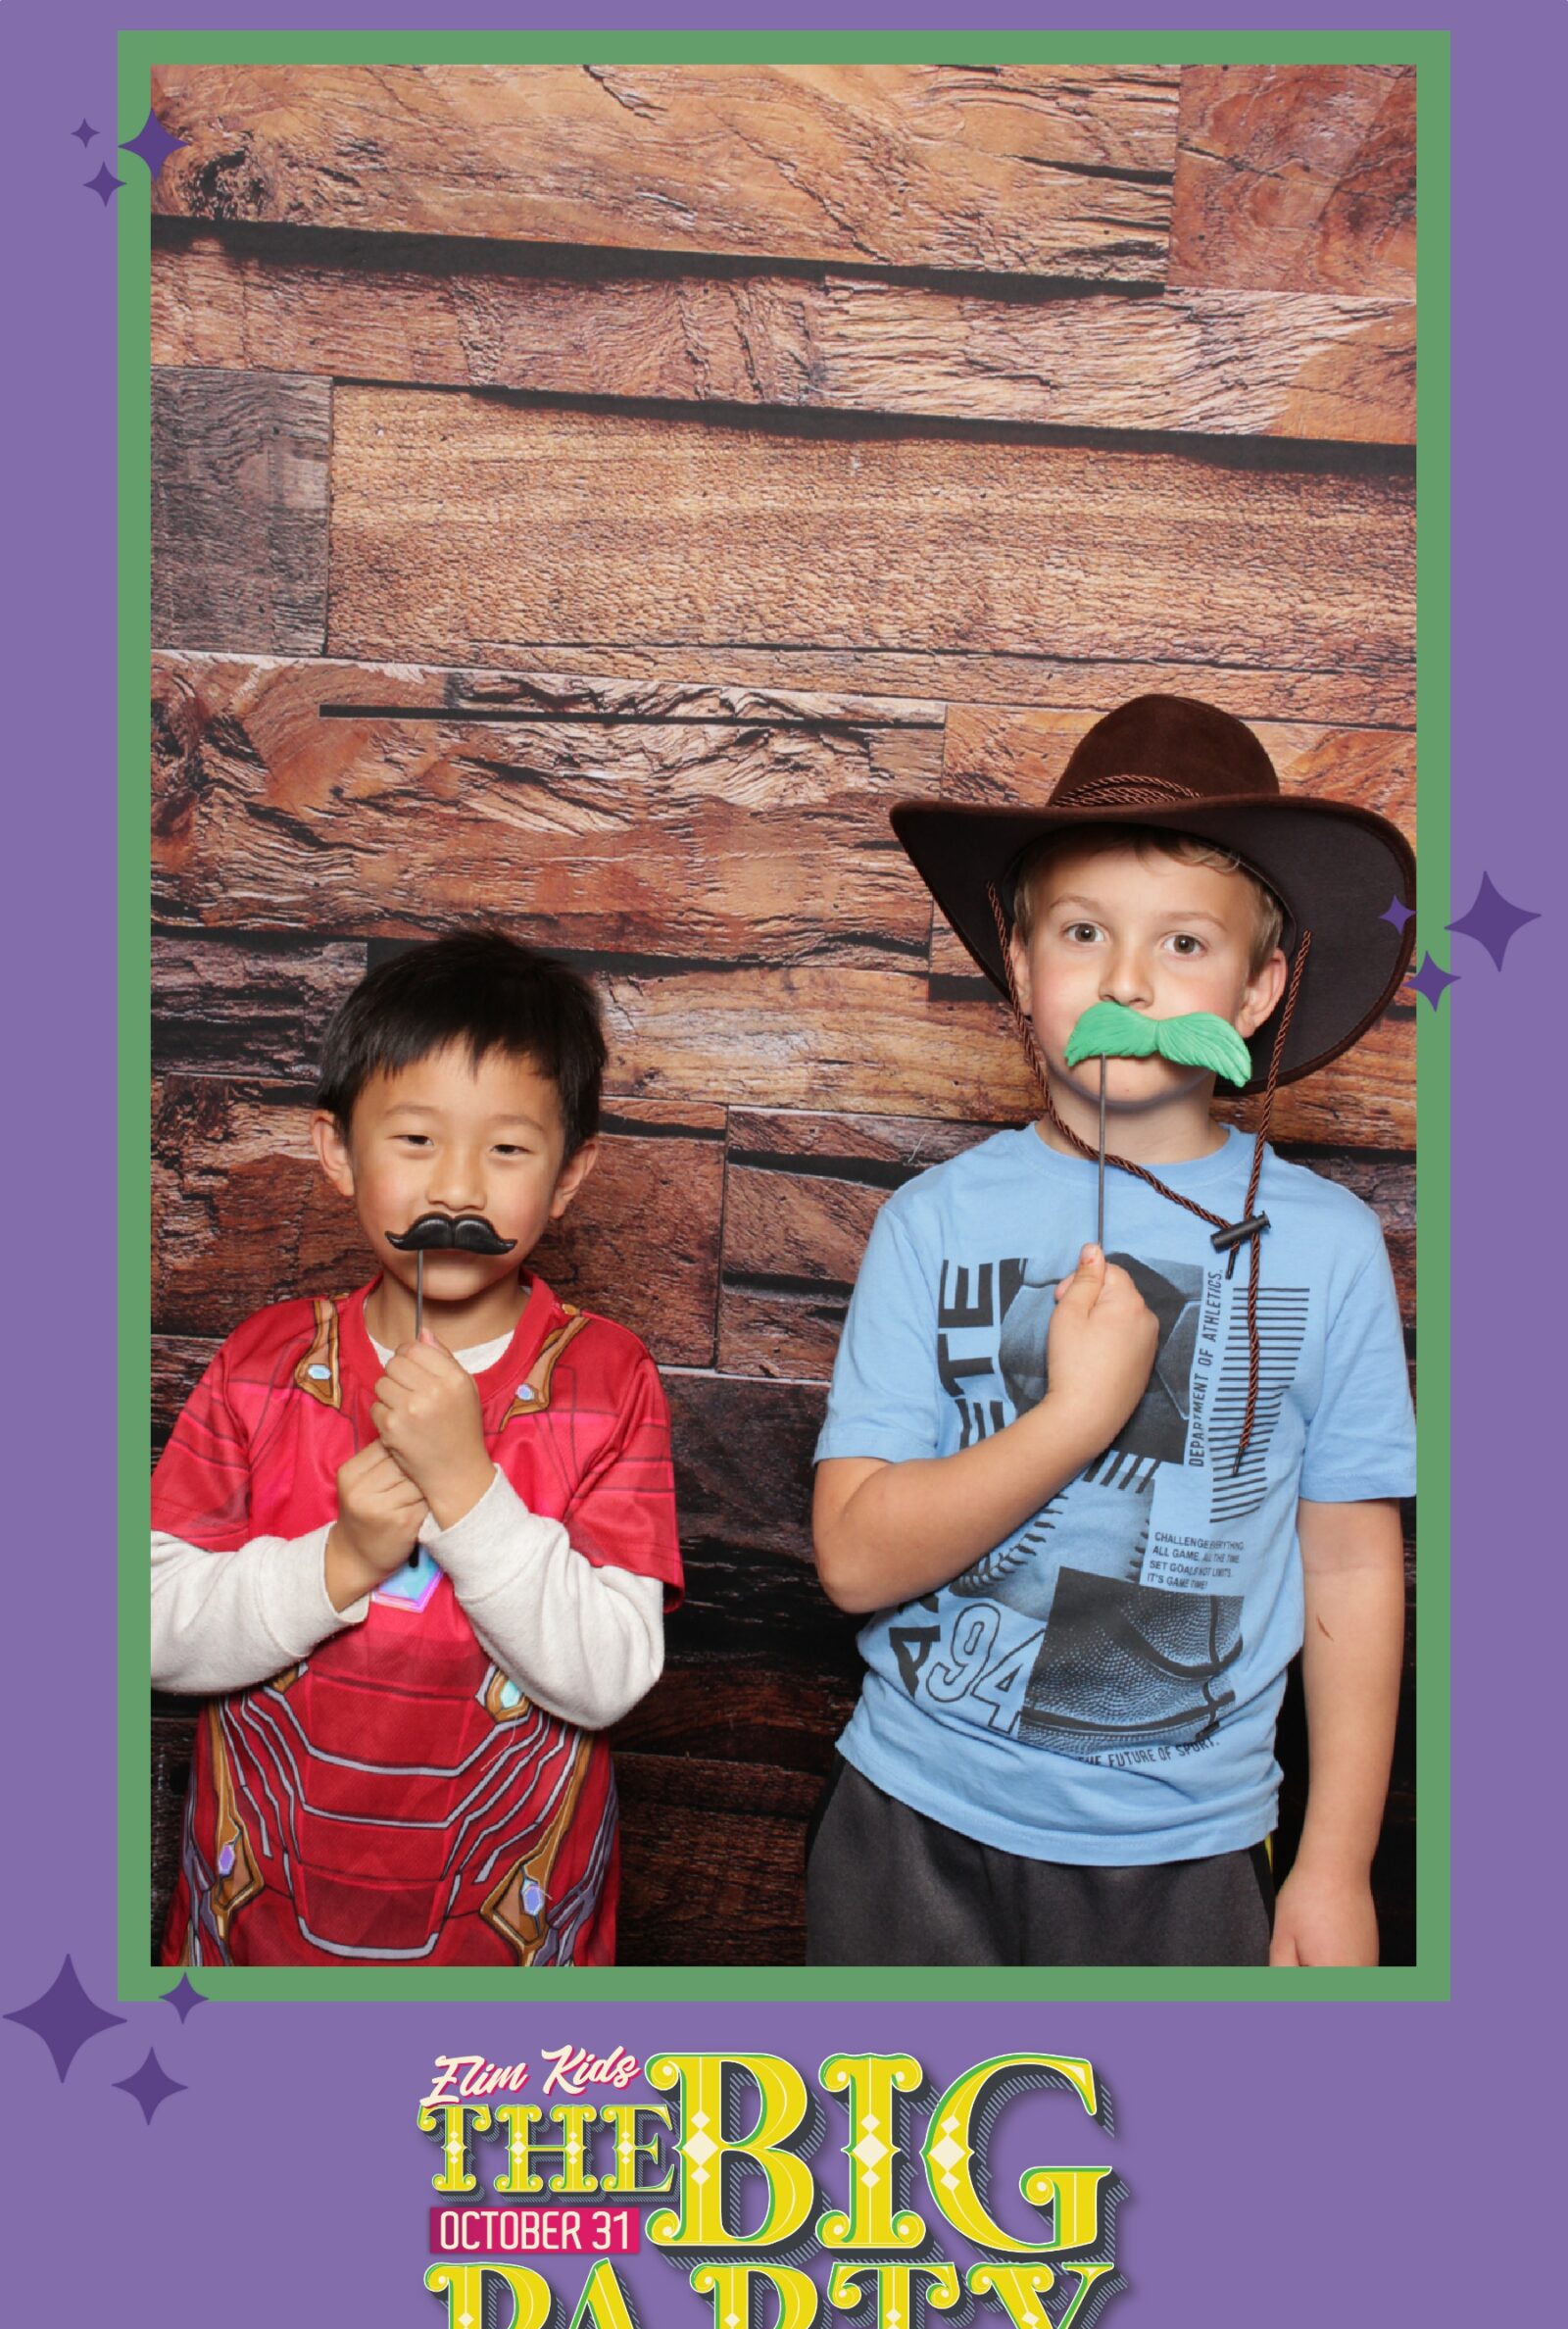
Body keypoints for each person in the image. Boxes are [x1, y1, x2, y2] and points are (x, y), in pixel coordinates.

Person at [808, 694, 1416, 1967]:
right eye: (1084, 932)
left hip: (1184, 1854)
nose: (1128, 981)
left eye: (1184, 943)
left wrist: (1334, 1864)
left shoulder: (1327, 1246)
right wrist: (1076, 1415)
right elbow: (855, 1561)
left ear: (1256, 990)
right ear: (1020, 962)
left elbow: (1352, 1568)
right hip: (913, 1821)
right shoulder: (932, 1222)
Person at [153, 931, 681, 1966]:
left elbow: (612, 1675)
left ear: (569, 1174)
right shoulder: (259, 1366)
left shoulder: (611, 1380)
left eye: (508, 1150)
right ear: (337, 1149)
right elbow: (147, 1632)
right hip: (258, 1945)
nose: (459, 1189)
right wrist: (341, 1560)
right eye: (415, 1139)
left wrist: (467, 1489)